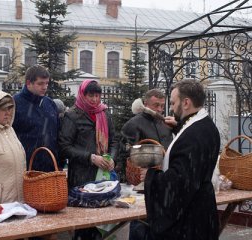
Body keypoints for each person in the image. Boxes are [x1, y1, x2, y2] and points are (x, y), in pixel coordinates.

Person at [130, 80, 220, 240]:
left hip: (190, 221)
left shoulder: (194, 136)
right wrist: (179, 128)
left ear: (186, 102)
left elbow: (178, 182)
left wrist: (150, 176)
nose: (170, 108)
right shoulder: (205, 125)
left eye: (172, 103)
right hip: (201, 212)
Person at [59, 79, 117, 239]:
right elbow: (64, 147)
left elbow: (114, 141)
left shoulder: (104, 114)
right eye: (91, 95)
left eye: (97, 95)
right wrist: (90, 157)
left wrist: (111, 158)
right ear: (83, 95)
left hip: (103, 177)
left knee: (101, 224)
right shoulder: (72, 115)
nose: (95, 99)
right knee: (83, 226)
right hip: (81, 180)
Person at [119, 89, 173, 185]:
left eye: (162, 106)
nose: (160, 109)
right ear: (145, 104)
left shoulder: (166, 124)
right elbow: (125, 154)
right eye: (156, 105)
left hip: (164, 177)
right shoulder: (133, 124)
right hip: (141, 180)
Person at [13, 65, 61, 172]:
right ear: (28, 83)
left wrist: (59, 163)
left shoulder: (50, 103)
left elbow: (58, 134)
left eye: (47, 83)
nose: (44, 87)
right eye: (40, 83)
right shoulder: (15, 104)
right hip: (25, 168)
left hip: (51, 167)